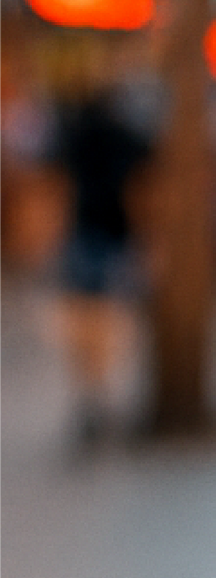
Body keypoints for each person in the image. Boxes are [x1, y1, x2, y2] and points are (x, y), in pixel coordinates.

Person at [44, 59, 154, 450]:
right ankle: (99, 390)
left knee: (83, 320)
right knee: (107, 321)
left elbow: (55, 185)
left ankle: (92, 391)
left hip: (83, 235)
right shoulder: (128, 137)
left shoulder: (75, 137)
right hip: (113, 238)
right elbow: (143, 190)